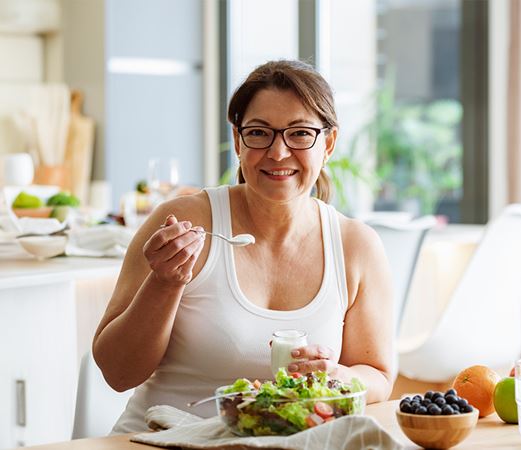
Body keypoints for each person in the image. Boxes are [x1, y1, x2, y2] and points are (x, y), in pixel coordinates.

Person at [93, 60, 396, 433]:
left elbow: (378, 374)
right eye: (259, 133)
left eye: (300, 134)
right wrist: (164, 282)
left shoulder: (356, 246)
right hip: (160, 440)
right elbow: (117, 372)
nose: (278, 152)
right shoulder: (183, 223)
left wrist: (338, 377)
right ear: (238, 141)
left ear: (328, 143)